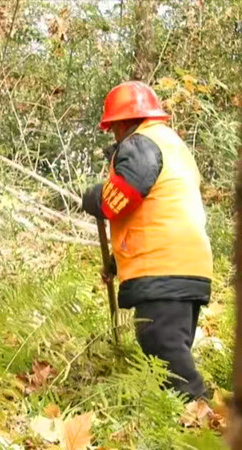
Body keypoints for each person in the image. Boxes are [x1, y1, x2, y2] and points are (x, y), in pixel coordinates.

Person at [81, 81, 213, 401]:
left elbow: (121, 197)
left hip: (164, 266)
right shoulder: (173, 146)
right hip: (187, 263)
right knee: (167, 349)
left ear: (124, 122)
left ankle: (205, 418)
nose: (113, 135)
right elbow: (156, 211)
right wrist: (117, 262)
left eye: (113, 127)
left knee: (162, 348)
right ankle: (185, 425)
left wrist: (93, 197)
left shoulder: (140, 143)